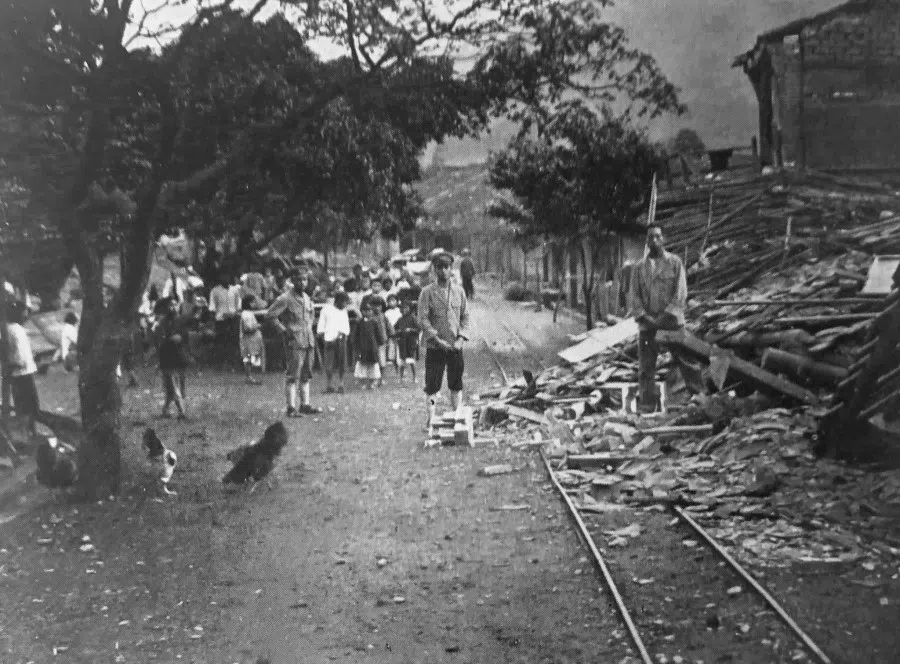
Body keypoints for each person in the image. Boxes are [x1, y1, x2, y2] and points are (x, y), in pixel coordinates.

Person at [629, 225, 705, 412]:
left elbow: (680, 293)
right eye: (650, 237)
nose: (654, 240)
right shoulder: (639, 269)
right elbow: (634, 297)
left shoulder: (675, 263)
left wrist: (664, 317)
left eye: (658, 236)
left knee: (687, 362)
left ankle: (702, 399)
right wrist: (646, 317)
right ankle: (646, 408)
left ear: (664, 239)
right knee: (646, 369)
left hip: (671, 324)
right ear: (646, 241)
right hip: (648, 326)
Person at [418, 250, 469, 428]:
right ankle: (431, 419)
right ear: (434, 269)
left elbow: (465, 317)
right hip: (435, 347)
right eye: (439, 267)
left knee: (456, 384)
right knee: (432, 386)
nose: (443, 271)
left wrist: (461, 339)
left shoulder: (459, 292)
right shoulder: (426, 293)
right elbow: (422, 319)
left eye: (446, 267)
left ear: (451, 269)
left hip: (455, 346)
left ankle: (457, 417)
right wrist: (437, 339)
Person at [265, 272, 322, 417]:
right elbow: (270, 315)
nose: (302, 283)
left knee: (306, 374)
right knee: (292, 375)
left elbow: (311, 317)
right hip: (294, 341)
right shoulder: (285, 298)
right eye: (298, 279)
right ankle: (291, 408)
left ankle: (305, 405)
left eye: (304, 279)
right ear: (293, 281)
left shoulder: (307, 298)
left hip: (308, 340)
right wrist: (284, 330)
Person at [5, 300, 40, 435]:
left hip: (23, 371)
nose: (26, 315)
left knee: (28, 404)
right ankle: (27, 431)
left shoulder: (15, 328)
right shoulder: (13, 329)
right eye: (24, 312)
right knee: (26, 405)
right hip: (20, 372)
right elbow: (18, 355)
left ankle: (30, 430)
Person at [153, 298, 188, 419]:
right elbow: (159, 340)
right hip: (167, 357)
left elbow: (185, 335)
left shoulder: (180, 320)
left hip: (179, 356)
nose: (173, 307)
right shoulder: (161, 323)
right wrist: (170, 339)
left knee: (173, 385)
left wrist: (181, 338)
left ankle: (165, 409)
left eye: (175, 304)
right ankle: (181, 410)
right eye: (170, 305)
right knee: (172, 383)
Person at [317, 291, 351, 394]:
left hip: (341, 338)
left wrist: (344, 335)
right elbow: (321, 324)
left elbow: (346, 325)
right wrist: (322, 335)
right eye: (344, 302)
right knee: (329, 363)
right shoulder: (326, 309)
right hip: (329, 339)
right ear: (338, 301)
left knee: (342, 362)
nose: (345, 305)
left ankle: (341, 384)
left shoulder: (344, 311)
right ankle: (329, 385)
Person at [353, 302, 386, 390]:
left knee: (373, 365)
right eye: (365, 311)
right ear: (362, 312)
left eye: (369, 310)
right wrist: (356, 345)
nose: (368, 312)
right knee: (362, 365)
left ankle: (373, 382)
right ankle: (363, 382)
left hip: (372, 348)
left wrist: (380, 342)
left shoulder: (374, 322)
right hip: (362, 348)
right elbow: (355, 335)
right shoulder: (359, 323)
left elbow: (378, 334)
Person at [239, 296, 265, 385]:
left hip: (252, 340)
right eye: (253, 302)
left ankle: (249, 376)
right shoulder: (246, 314)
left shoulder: (249, 313)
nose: (255, 304)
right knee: (248, 358)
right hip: (248, 341)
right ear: (249, 303)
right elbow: (247, 328)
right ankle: (248, 377)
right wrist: (257, 326)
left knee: (250, 358)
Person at [394, 300, 420, 384]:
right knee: (402, 361)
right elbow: (395, 328)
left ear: (410, 309)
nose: (404, 310)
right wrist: (398, 332)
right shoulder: (400, 319)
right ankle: (401, 378)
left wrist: (411, 330)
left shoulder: (413, 318)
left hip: (411, 342)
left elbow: (419, 329)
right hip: (402, 342)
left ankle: (414, 377)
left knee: (411, 361)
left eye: (406, 308)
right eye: (402, 308)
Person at [383, 294, 402, 374]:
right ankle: (394, 367)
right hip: (390, 334)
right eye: (390, 301)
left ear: (397, 302)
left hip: (399, 333)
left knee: (399, 350)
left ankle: (400, 367)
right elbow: (386, 323)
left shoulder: (400, 311)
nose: (392, 302)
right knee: (391, 350)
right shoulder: (387, 313)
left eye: (393, 300)